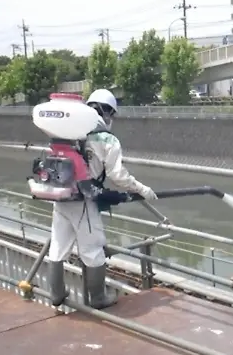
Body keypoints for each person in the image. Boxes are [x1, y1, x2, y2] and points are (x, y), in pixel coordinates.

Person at [48, 89, 157, 309]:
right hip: (84, 201)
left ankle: (56, 294)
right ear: (106, 111)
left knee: (58, 247)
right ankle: (97, 298)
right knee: (93, 249)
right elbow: (118, 175)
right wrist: (143, 189)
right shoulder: (106, 138)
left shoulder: (68, 131)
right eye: (112, 114)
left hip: (60, 196)